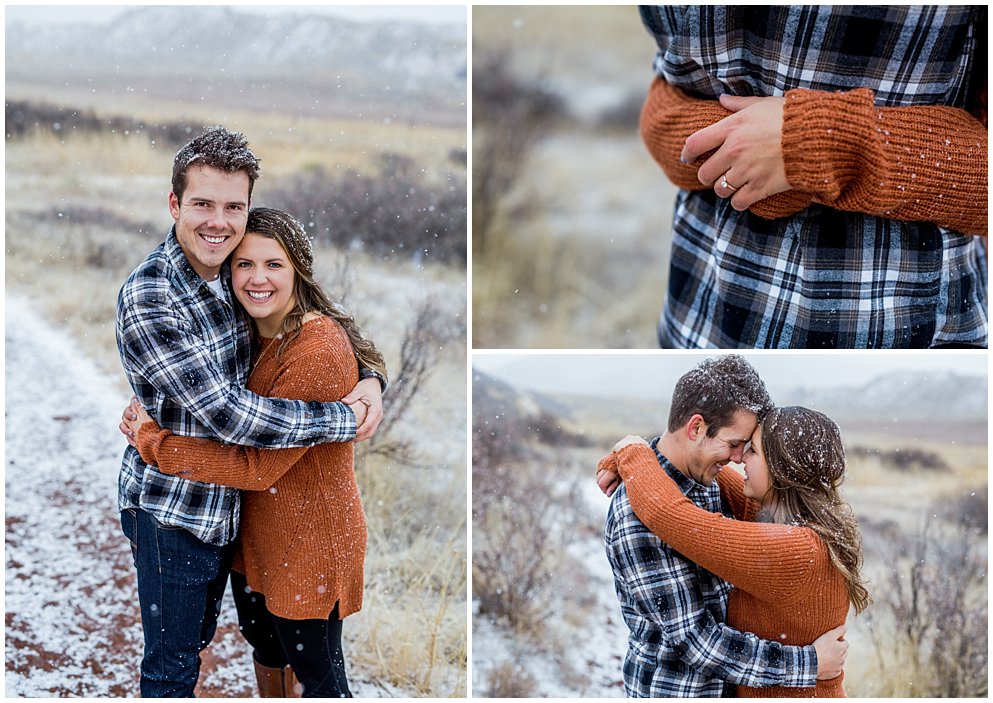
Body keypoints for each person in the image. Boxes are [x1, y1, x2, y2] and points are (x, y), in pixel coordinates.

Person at [115, 127, 386, 697]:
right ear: (174, 205)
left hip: (258, 519)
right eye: (203, 204)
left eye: (233, 206)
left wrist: (371, 379)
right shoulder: (153, 296)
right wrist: (344, 418)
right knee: (173, 664)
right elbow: (231, 417)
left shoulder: (227, 277)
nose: (219, 221)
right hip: (178, 514)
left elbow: (330, 334)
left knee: (287, 664)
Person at [637, 6, 988, 348]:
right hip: (700, 303)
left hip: (884, 322)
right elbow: (664, 96)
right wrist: (725, 144)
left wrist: (820, 144)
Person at [599, 355, 848, 697]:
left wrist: (633, 451)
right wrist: (808, 664)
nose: (737, 459)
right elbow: (697, 642)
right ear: (696, 428)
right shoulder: (635, 510)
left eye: (748, 449)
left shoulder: (711, 483)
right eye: (734, 444)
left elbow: (677, 514)